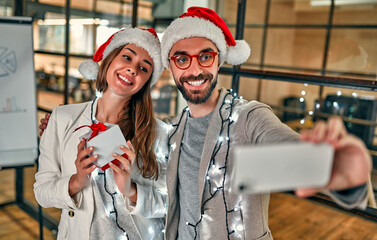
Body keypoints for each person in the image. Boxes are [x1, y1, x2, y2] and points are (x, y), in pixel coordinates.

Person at [160, 7, 372, 239]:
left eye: (205, 56)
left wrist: (337, 169)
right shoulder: (173, 130)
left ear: (218, 60)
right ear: (170, 67)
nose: (195, 69)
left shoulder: (249, 117)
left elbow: (285, 144)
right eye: (182, 59)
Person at [34, 27, 168, 240]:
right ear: (109, 59)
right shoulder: (62, 118)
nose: (133, 69)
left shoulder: (158, 133)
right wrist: (78, 180)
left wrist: (130, 190)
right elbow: (42, 193)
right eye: (126, 57)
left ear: (146, 82)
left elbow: (167, 203)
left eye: (144, 68)